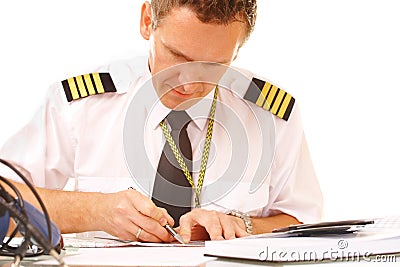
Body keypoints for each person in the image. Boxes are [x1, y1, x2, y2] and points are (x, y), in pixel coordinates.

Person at [0, 0, 323, 243]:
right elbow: (3, 201)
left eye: (214, 66)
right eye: (177, 57)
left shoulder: (272, 115)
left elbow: (304, 221)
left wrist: (243, 226)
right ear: (146, 22)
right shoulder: (82, 105)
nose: (190, 84)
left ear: (236, 52)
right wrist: (95, 211)